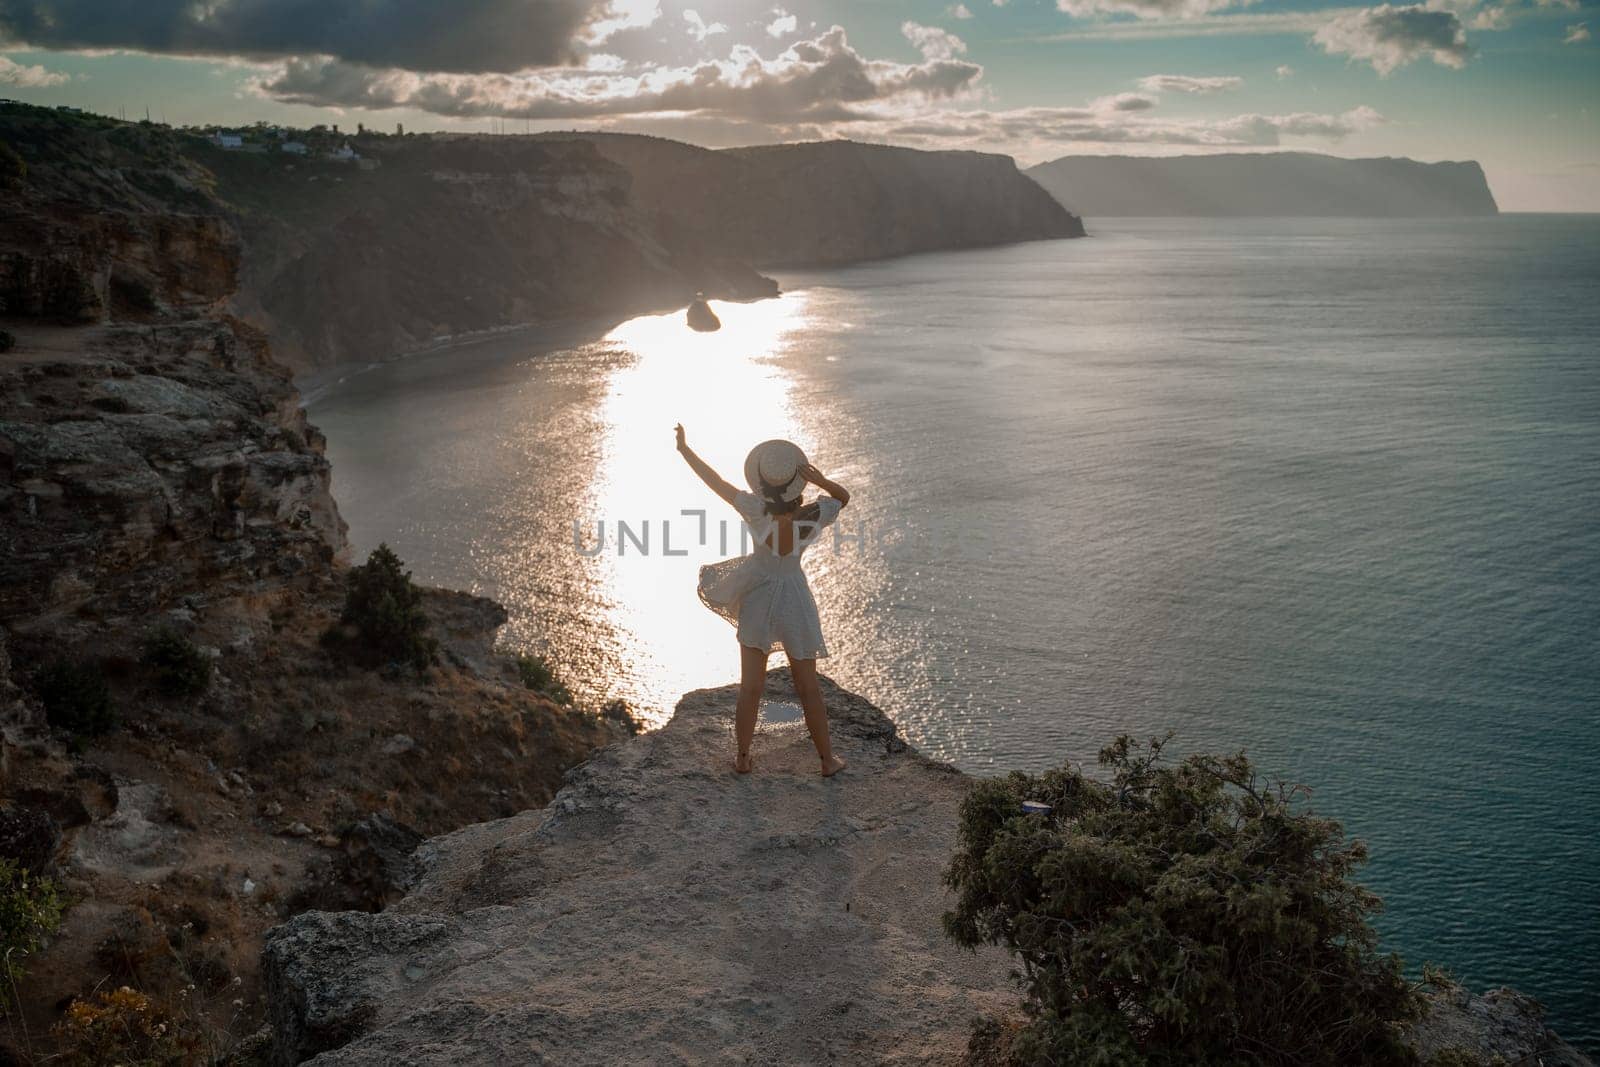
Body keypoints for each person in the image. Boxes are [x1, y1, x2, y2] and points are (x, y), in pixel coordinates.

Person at [674, 425, 850, 776]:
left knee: (751, 686)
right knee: (808, 687)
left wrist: (685, 449)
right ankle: (827, 761)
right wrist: (821, 479)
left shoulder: (755, 509)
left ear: (762, 482)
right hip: (794, 598)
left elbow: (715, 481)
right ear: (797, 483)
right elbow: (842, 497)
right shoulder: (812, 515)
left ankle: (742, 758)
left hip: (758, 596)